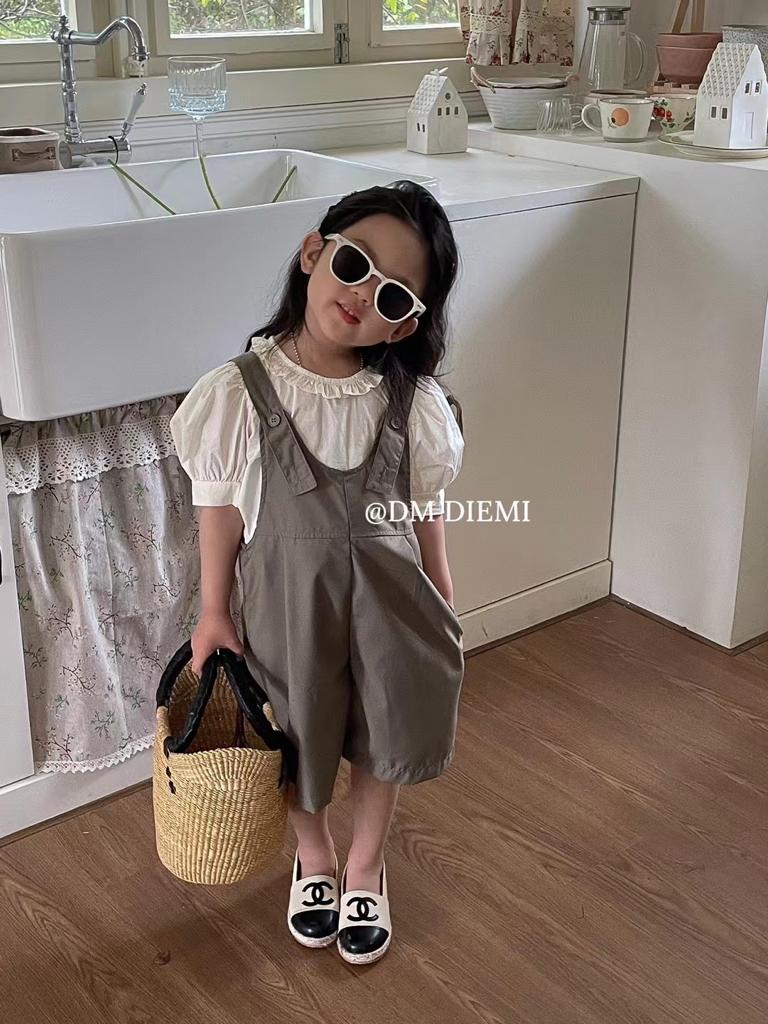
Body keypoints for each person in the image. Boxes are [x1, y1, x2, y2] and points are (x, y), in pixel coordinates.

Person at [169, 179, 465, 965]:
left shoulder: (411, 400)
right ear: (313, 253)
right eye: (355, 264)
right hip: (287, 606)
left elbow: (426, 505)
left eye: (393, 294)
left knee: (383, 734)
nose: (364, 294)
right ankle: (316, 857)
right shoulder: (239, 392)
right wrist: (213, 609)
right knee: (295, 736)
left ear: (407, 323)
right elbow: (219, 507)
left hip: (395, 607)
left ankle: (366, 866)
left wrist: (442, 590)